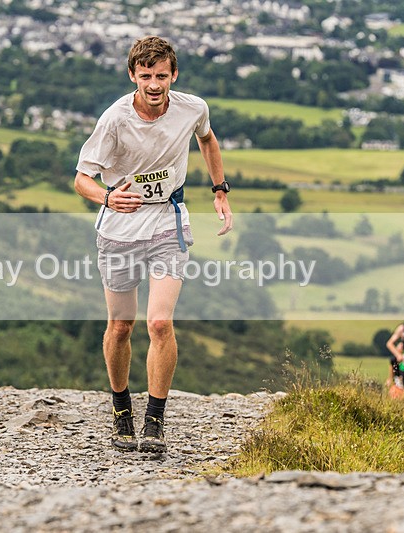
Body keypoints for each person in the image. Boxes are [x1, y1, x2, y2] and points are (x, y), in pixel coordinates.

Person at [74, 36, 232, 453]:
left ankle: (155, 419)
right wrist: (107, 197)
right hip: (120, 227)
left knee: (160, 322)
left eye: (162, 75)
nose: (155, 84)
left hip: (168, 220)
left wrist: (219, 189)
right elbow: (81, 179)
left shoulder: (192, 107)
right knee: (121, 325)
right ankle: (121, 406)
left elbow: (208, 139)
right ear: (133, 76)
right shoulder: (114, 120)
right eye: (146, 76)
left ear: (173, 74)